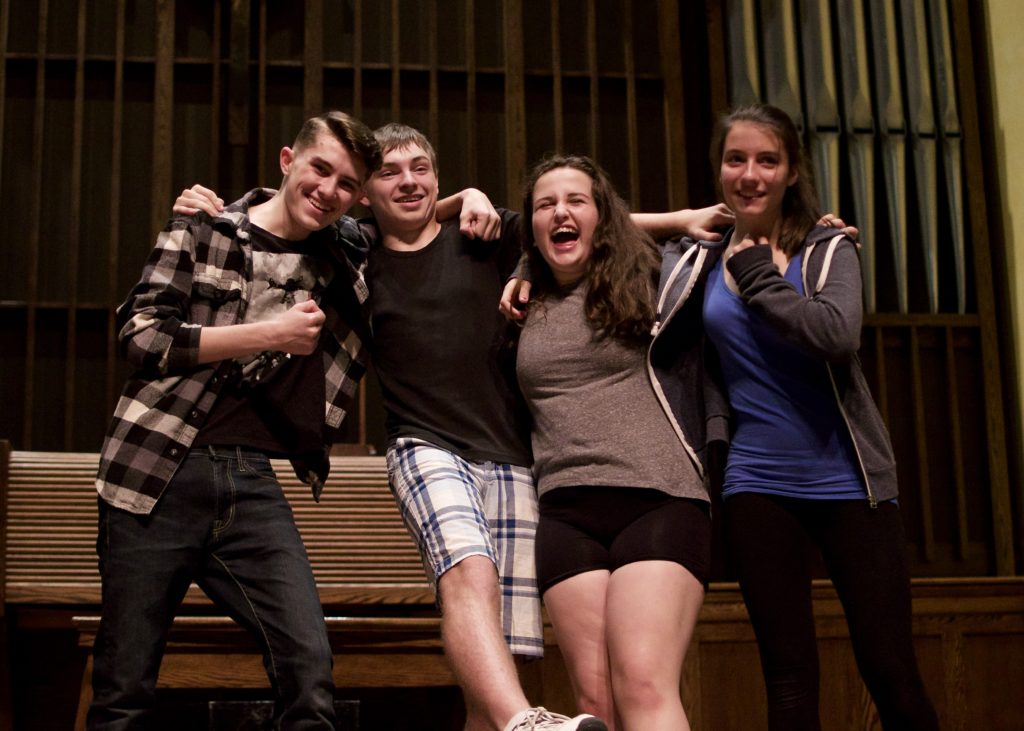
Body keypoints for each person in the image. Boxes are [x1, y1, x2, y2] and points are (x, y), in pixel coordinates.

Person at [176, 124, 728, 731]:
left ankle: (510, 720)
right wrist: (222, 210)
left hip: (516, 463)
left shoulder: (484, 238)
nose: (408, 182)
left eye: (421, 168)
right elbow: (289, 216)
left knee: (489, 680)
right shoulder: (353, 257)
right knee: (468, 570)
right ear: (364, 193)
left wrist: (683, 219)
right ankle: (524, 721)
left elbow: (589, 225)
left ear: (437, 174)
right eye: (389, 172)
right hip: (425, 446)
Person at [90, 110, 383, 729]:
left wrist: (469, 199)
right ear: (287, 161)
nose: (328, 191)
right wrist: (265, 334)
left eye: (347, 184)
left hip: (249, 483)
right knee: (125, 689)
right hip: (156, 472)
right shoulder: (204, 228)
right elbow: (140, 337)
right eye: (319, 169)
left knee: (309, 668)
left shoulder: (345, 252)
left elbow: (414, 216)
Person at [700, 103, 939, 730]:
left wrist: (758, 276)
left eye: (767, 160)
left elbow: (835, 333)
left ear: (791, 171)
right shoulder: (695, 258)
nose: (750, 174)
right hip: (755, 483)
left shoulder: (829, 246)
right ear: (719, 168)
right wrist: (682, 219)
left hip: (849, 480)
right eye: (736, 159)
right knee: (788, 680)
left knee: (889, 668)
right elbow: (602, 230)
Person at [512, 154, 723, 731]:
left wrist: (806, 232)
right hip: (564, 511)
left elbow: (736, 245)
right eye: (545, 204)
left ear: (604, 217)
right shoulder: (520, 298)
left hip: (657, 497)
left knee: (644, 683)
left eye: (576, 201)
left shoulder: (650, 277)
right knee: (596, 702)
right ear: (529, 224)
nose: (560, 212)